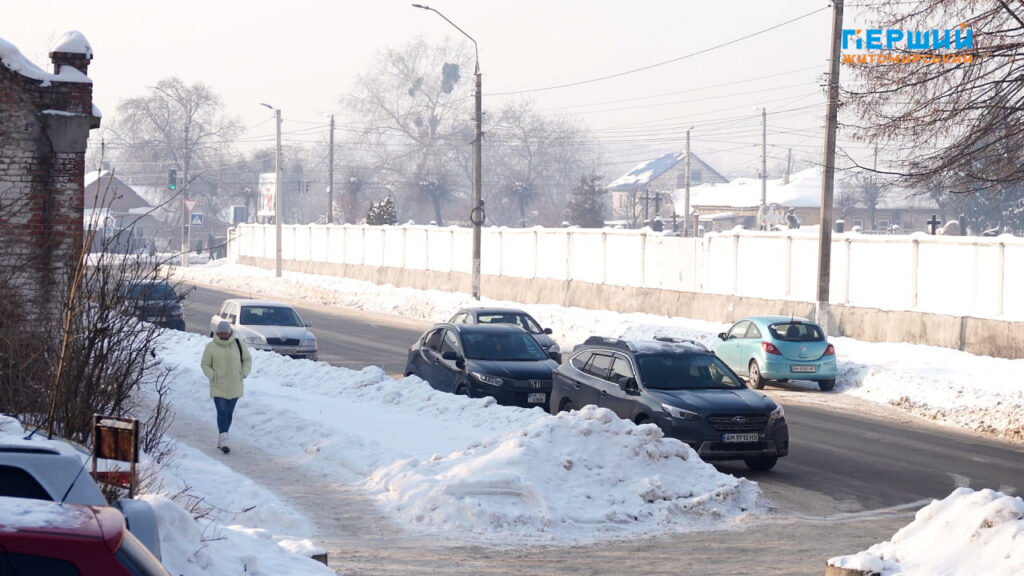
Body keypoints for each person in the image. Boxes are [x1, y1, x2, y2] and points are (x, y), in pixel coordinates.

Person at [201, 320, 252, 454]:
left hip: (235, 385)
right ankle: (225, 441)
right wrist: (213, 375)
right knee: (222, 412)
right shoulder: (211, 347)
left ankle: (222, 437)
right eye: (221, 332)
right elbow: (205, 364)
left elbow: (247, 359)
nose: (223, 334)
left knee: (229, 414)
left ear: (230, 332)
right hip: (218, 386)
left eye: (226, 332)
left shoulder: (238, 344)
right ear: (217, 333)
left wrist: (243, 373)